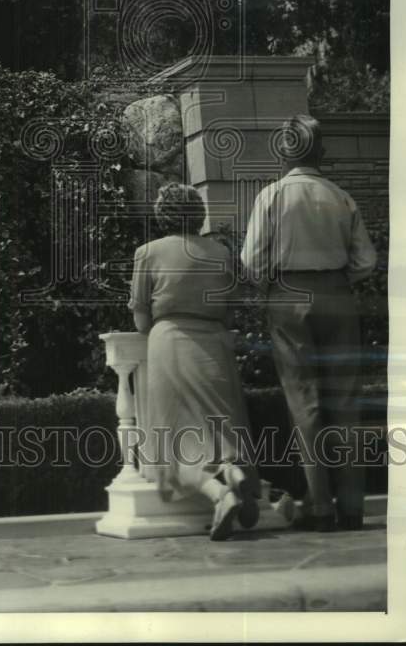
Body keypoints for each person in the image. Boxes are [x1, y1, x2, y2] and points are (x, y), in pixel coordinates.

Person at [240, 114, 377, 532]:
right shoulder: (340, 197)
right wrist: (336, 279)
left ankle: (319, 505)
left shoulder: (271, 197)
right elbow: (366, 261)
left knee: (305, 400)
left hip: (288, 295)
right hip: (337, 294)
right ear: (320, 151)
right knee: (346, 401)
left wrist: (278, 281)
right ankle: (352, 505)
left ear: (283, 152)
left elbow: (251, 260)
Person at [129, 182, 262, 541]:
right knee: (222, 428)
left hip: (170, 343)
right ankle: (235, 474)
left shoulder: (148, 252)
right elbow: (232, 309)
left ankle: (220, 494)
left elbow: (141, 320)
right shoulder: (220, 252)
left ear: (162, 215)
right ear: (197, 213)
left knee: (173, 442)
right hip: (215, 344)